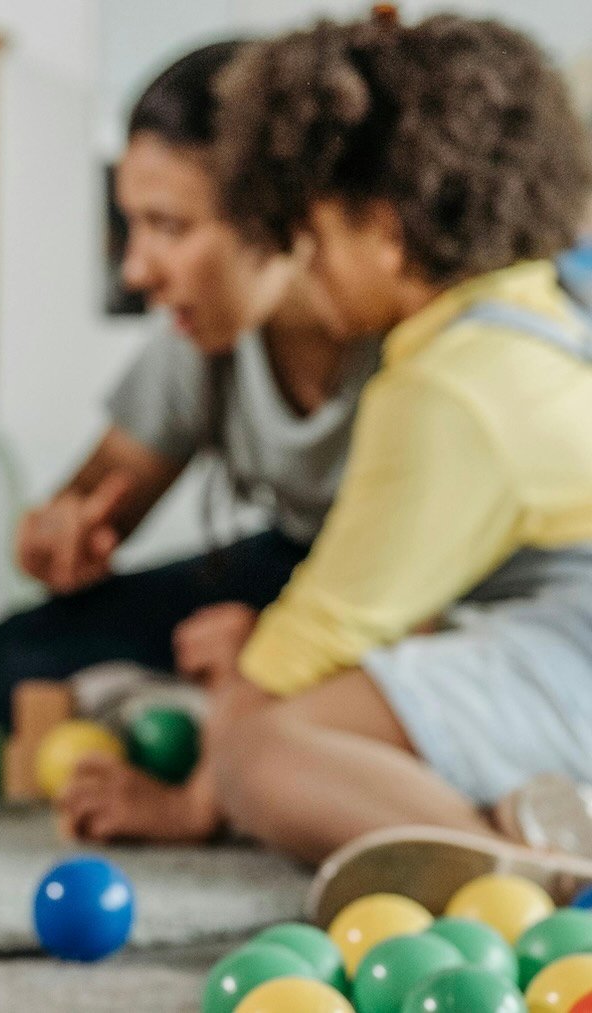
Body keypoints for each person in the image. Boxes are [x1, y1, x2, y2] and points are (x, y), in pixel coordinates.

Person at [186, 11, 592, 865]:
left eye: (316, 237)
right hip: (550, 642)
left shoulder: (450, 385)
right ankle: (539, 814)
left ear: (387, 230)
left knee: (259, 750)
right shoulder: (531, 312)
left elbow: (315, 635)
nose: (305, 267)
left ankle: (520, 874)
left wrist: (200, 792)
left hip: (575, 660)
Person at [0, 41, 375, 748]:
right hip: (291, 562)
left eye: (170, 227)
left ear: (280, 212)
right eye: (132, 226)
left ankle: (229, 731)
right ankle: (210, 722)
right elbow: (105, 486)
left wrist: (282, 647)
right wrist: (62, 528)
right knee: (10, 661)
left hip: (407, 594)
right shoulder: (202, 338)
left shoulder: (409, 338)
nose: (136, 270)